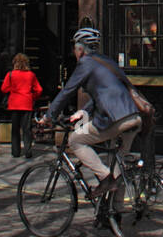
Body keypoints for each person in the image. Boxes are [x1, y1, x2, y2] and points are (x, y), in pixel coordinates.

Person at [39, 28, 142, 196]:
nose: (74, 51)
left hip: (116, 119)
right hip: (133, 116)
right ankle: (114, 215)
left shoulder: (86, 63)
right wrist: (83, 111)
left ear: (81, 49)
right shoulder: (107, 62)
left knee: (75, 140)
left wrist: (48, 116)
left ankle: (104, 177)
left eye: (75, 47)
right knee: (118, 169)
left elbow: (67, 91)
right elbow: (104, 93)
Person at [1, 53, 43, 159]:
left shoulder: (10, 74)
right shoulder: (31, 75)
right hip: (27, 103)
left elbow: (4, 89)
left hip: (14, 104)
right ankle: (28, 151)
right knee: (26, 129)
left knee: (15, 129)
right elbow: (39, 90)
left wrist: (13, 90)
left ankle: (15, 151)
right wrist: (33, 96)